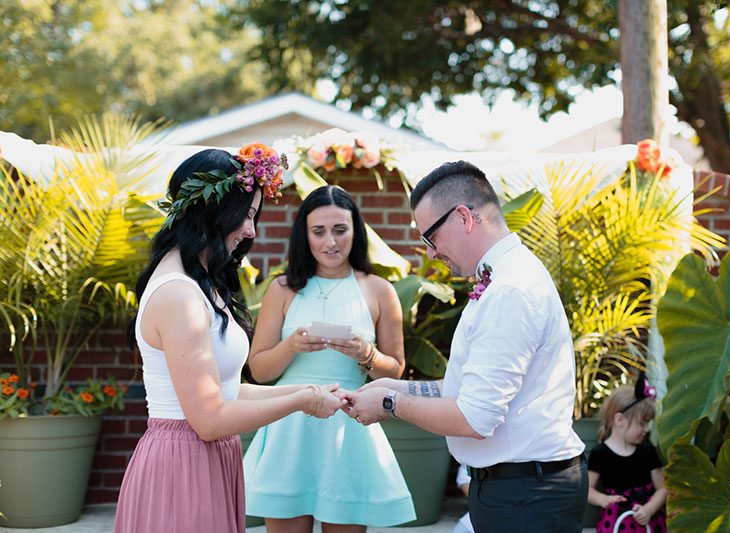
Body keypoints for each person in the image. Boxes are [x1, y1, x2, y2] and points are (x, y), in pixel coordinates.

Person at [343, 160, 588, 532]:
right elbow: (466, 391)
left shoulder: (509, 290)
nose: (430, 252)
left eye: (431, 237)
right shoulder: (500, 278)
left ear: (463, 217)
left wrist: (389, 404)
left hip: (526, 497)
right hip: (515, 489)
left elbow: (475, 418)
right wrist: (391, 386)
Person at [114, 145, 345, 533]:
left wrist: (309, 389)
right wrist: (302, 401)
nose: (252, 231)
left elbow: (225, 391)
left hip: (206, 460)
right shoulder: (179, 295)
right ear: (213, 210)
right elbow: (209, 419)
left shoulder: (200, 284)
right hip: (181, 468)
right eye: (247, 215)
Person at [242, 185, 416, 532]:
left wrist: (365, 354)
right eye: (318, 231)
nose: (330, 242)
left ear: (356, 231)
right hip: (289, 423)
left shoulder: (380, 290)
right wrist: (291, 346)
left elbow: (396, 369)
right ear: (304, 234)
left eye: (340, 230)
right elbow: (259, 371)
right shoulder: (282, 289)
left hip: (349, 425)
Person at [587, 374, 667, 533]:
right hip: (616, 522)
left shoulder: (647, 451)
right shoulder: (600, 454)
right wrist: (603, 499)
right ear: (619, 420)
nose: (646, 429)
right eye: (642, 423)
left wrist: (649, 509)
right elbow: (587, 489)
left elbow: (663, 488)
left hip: (647, 522)